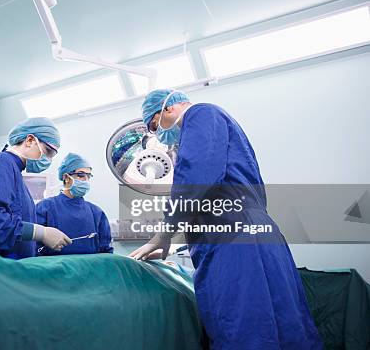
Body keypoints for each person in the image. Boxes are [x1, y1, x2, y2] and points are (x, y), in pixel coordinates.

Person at [129, 89, 322, 350]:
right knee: (286, 322)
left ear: (167, 109)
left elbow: (197, 177)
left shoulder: (201, 113)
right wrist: (180, 243)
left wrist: (164, 233)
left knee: (244, 326)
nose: (160, 136)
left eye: (155, 126)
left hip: (234, 241)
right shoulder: (219, 125)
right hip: (252, 233)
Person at [0, 117, 72, 259]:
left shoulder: (15, 175)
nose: (48, 159)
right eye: (48, 151)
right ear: (29, 140)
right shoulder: (0, 162)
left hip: (7, 269)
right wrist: (42, 233)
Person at [36, 153, 113, 255]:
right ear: (66, 177)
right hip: (54, 269)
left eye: (88, 176)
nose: (85, 180)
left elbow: (105, 252)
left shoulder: (96, 212)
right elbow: (33, 247)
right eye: (81, 175)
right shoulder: (45, 208)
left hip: (89, 269)